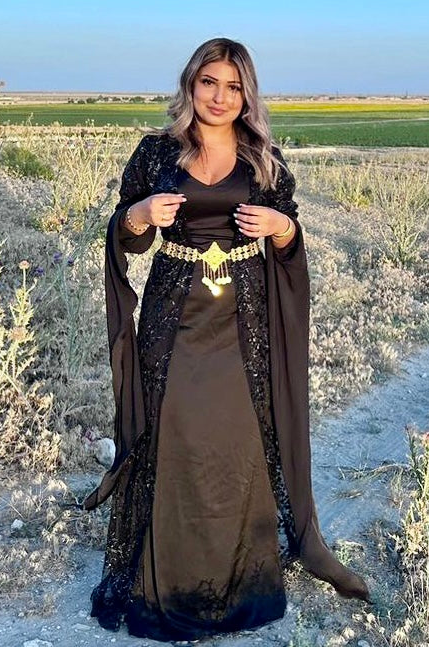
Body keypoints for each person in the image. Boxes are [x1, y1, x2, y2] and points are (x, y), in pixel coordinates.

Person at [81, 37, 371, 641]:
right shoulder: (157, 153)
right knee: (177, 432)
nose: (220, 96)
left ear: (247, 94)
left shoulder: (263, 158)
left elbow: (290, 238)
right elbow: (127, 237)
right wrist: (139, 216)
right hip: (173, 315)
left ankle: (243, 580)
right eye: (209, 82)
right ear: (191, 84)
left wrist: (281, 226)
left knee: (237, 438)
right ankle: (168, 581)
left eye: (234, 86)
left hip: (244, 319)